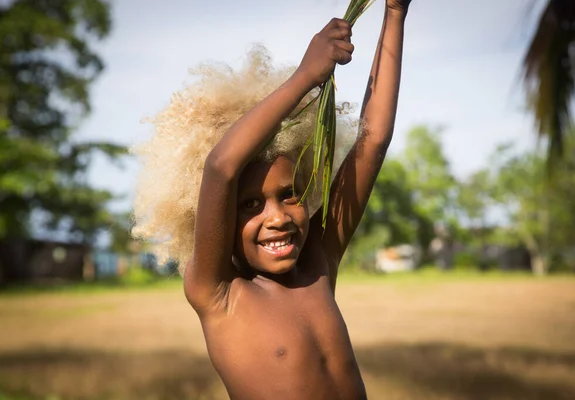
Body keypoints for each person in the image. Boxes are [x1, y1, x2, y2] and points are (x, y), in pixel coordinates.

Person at [132, 1, 412, 398]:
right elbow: (221, 167)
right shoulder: (217, 292)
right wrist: (304, 77)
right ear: (218, 214)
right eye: (250, 205)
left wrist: (395, 13)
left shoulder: (319, 262)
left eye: (289, 195)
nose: (277, 217)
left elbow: (374, 140)